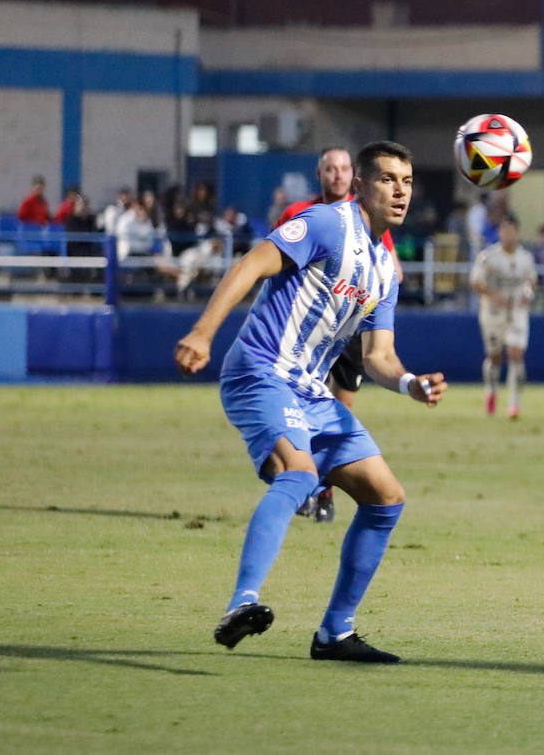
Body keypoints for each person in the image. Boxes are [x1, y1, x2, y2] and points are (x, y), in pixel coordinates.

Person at [175, 140, 445, 663]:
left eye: (407, 181)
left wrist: (411, 383)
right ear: (360, 184)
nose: (400, 191)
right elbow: (250, 265)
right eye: (388, 179)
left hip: (311, 391)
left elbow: (378, 357)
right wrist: (203, 333)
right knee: (297, 475)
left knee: (386, 498)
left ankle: (335, 634)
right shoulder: (325, 224)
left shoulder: (385, 269)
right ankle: (241, 604)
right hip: (260, 371)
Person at [279, 146, 403, 524]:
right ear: (320, 174)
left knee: (339, 412)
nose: (337, 175)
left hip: (347, 332)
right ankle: (301, 487)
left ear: (355, 177)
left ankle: (324, 492)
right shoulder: (303, 215)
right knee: (295, 413)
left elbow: (391, 271)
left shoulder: (372, 221)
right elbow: (276, 262)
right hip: (304, 331)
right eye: (330, 169)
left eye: (343, 168)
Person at [469, 214, 537, 419]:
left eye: (511, 230)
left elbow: (531, 281)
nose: (507, 234)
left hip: (516, 311)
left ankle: (514, 405)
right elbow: (475, 282)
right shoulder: (488, 257)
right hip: (492, 312)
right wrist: (494, 295)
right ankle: (491, 391)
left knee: (516, 353)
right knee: (495, 357)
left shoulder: (526, 258)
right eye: (503, 230)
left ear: (517, 232)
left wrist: (527, 294)